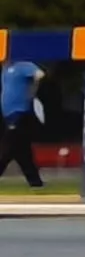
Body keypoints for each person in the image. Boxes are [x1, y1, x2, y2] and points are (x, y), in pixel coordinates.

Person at [0, 61, 46, 189]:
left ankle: (35, 182)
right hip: (8, 114)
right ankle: (35, 182)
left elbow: (39, 74)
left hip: (20, 112)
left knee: (7, 147)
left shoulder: (22, 65)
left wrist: (32, 91)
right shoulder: (5, 68)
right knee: (22, 151)